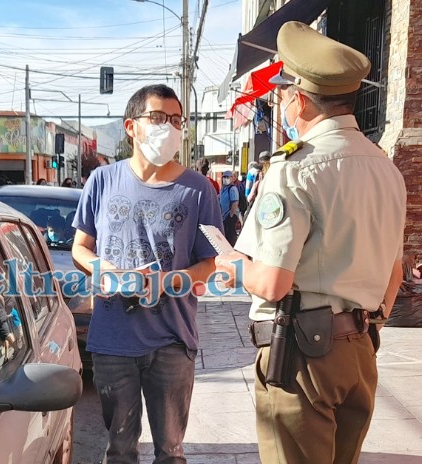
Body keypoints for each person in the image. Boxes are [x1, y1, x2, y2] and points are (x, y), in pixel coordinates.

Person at [215, 21, 406, 464]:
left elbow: (273, 283)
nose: (281, 101)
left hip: (305, 354)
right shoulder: (386, 169)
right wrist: (367, 325)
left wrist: (231, 264)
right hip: (360, 349)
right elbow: (394, 273)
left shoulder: (294, 168)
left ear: (298, 98)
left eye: (282, 92)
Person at [71, 83, 223, 464]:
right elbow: (80, 247)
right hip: (112, 340)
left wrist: (169, 281)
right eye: (157, 118)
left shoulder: (198, 189)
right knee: (120, 450)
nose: (168, 127)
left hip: (171, 340)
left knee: (170, 452)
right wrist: (102, 268)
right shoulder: (101, 181)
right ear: (131, 126)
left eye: (176, 120)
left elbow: (212, 262)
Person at [219, 170, 239, 246]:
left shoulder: (232, 189)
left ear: (231, 178)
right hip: (224, 216)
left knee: (230, 236)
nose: (225, 179)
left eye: (227, 177)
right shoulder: (223, 189)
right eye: (224, 177)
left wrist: (231, 215)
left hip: (230, 216)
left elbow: (235, 203)